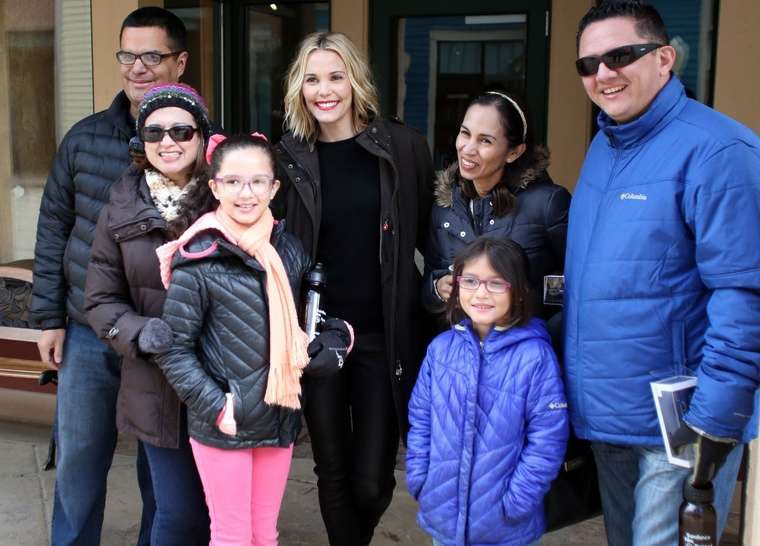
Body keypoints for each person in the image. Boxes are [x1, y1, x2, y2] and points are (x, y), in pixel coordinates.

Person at [565, 2, 760, 545]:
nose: (603, 74)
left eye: (621, 55)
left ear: (665, 59)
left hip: (679, 430)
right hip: (608, 418)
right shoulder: (605, 146)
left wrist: (714, 423)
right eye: (588, 64)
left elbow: (744, 296)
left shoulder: (721, 151)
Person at [29, 7, 189, 544]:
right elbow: (53, 229)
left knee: (160, 467)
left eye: (152, 55)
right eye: (128, 54)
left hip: (164, 335)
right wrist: (48, 318)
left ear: (179, 61)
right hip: (87, 328)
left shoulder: (201, 145)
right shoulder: (84, 138)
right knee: (78, 460)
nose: (137, 67)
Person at [148, 133, 352, 546]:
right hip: (226, 421)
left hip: (278, 414)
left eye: (259, 181)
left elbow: (303, 320)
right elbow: (174, 348)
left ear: (274, 187)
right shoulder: (200, 256)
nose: (247, 192)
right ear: (215, 186)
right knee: (233, 535)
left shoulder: (288, 250)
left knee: (264, 534)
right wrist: (220, 406)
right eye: (234, 181)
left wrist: (334, 336)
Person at [273, 32, 434, 545]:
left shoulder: (403, 148)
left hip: (383, 332)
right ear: (299, 88)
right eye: (313, 79)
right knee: (332, 469)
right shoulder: (287, 158)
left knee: (372, 478)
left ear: (356, 82)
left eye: (336, 76)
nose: (325, 90)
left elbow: (432, 233)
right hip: (317, 336)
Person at [84, 83, 212, 545]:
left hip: (224, 385)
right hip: (156, 387)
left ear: (202, 136)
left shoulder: (230, 197)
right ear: (142, 142)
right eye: (155, 132)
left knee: (223, 516)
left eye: (181, 129)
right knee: (178, 514)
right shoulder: (119, 206)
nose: (168, 141)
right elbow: (99, 301)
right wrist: (140, 331)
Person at [407, 236, 569, 546]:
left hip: (506, 527)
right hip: (443, 516)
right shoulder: (441, 350)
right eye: (470, 281)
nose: (480, 293)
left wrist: (517, 502)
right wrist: (420, 479)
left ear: (518, 289)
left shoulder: (534, 357)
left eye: (496, 283)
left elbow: (547, 440)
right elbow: (421, 419)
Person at [422, 91, 570, 322]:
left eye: (485, 140)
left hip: (526, 352)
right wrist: (437, 289)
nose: (468, 148)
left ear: (514, 152)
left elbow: (576, 284)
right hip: (461, 353)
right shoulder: (444, 207)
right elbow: (428, 284)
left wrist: (539, 326)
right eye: (465, 133)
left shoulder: (548, 203)